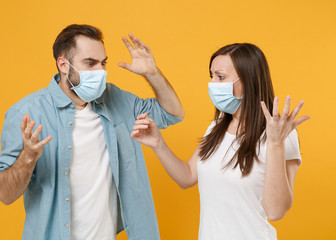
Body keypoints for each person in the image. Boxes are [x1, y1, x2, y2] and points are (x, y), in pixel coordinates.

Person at [0, 24, 184, 240]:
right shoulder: (26, 113)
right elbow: (5, 195)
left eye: (103, 63)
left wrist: (152, 73)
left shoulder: (115, 99)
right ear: (63, 64)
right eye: (90, 63)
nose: (101, 71)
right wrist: (27, 158)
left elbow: (173, 113)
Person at [131, 43, 310, 240]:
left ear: (249, 80)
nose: (213, 83)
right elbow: (187, 177)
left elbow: (276, 212)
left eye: (221, 77)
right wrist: (158, 143)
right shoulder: (217, 127)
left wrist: (276, 144)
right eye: (212, 76)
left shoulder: (282, 135)